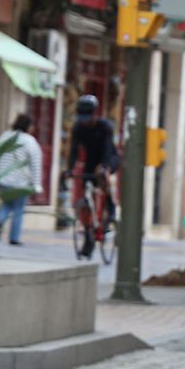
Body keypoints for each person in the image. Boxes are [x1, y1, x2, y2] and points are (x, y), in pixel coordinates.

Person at [67, 94, 119, 255]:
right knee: (86, 191)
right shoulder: (78, 128)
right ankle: (88, 235)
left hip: (109, 157)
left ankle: (110, 209)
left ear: (95, 113)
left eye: (88, 116)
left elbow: (107, 148)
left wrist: (104, 166)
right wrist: (69, 169)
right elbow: (74, 150)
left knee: (103, 177)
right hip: (90, 161)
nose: (85, 120)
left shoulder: (105, 126)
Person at [0, 113, 43, 246]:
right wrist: (37, 185)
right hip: (21, 182)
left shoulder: (5, 136)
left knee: (6, 204)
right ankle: (14, 238)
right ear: (28, 126)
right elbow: (35, 164)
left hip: (3, 179)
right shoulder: (30, 141)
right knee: (18, 209)